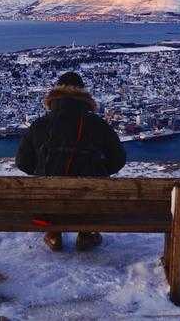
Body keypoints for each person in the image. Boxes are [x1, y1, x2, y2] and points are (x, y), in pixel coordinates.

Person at [15, 71, 126, 252]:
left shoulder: (39, 125)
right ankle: (86, 232)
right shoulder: (98, 125)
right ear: (84, 95)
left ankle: (53, 232)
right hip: (89, 205)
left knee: (49, 196)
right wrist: (98, 170)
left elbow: (22, 162)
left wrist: (42, 172)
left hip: (47, 206)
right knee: (89, 194)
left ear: (54, 96)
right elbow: (119, 159)